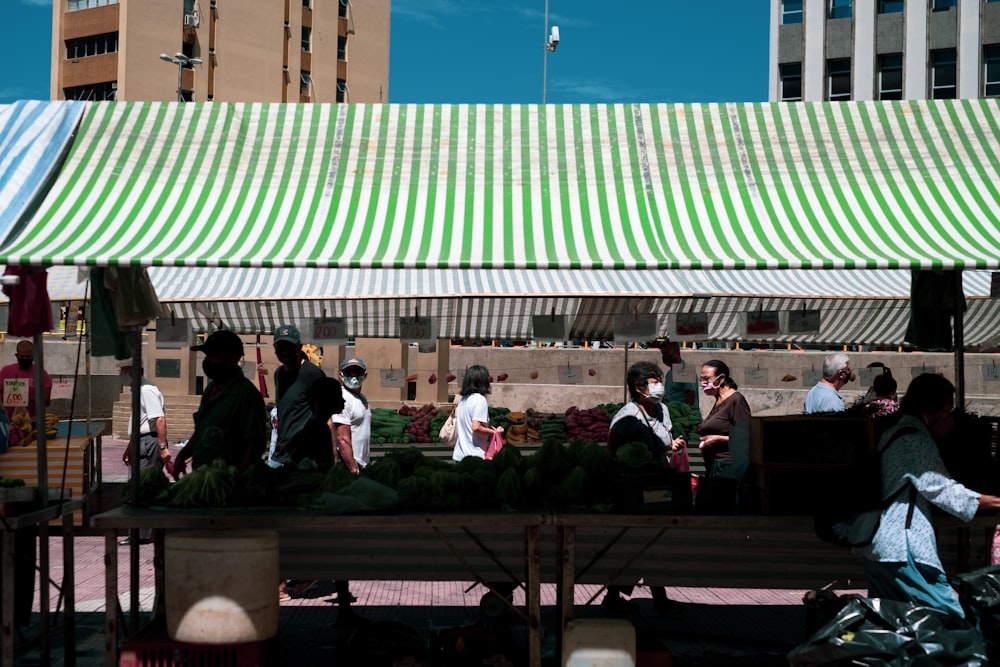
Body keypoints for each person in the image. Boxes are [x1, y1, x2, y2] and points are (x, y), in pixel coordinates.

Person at [856, 373, 1000, 617]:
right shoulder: (916, 438)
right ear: (933, 409)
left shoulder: (894, 433)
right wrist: (995, 501)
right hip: (902, 548)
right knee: (952, 616)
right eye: (946, 409)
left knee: (890, 622)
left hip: (876, 547)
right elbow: (943, 490)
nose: (949, 417)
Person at [604, 361, 686, 614]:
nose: (659, 386)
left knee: (650, 543)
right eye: (654, 381)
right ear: (639, 388)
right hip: (634, 489)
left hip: (658, 483)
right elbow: (612, 451)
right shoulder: (627, 417)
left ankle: (619, 595)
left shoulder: (662, 410)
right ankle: (626, 596)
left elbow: (665, 439)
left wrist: (671, 445)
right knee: (643, 543)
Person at [172, 330, 267, 477]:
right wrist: (183, 455)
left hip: (226, 482)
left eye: (214, 355)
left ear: (233, 358)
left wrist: (239, 479)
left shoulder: (247, 395)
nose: (208, 361)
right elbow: (202, 430)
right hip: (202, 477)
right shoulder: (210, 389)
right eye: (207, 356)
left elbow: (254, 443)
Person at [120, 363, 170, 545]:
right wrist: (129, 447)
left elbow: (159, 419)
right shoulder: (138, 389)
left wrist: (163, 447)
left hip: (149, 442)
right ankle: (142, 531)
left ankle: (141, 534)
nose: (120, 374)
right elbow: (138, 422)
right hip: (141, 440)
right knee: (141, 486)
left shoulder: (146, 389)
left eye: (123, 370)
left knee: (143, 487)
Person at [271, 324, 326, 468]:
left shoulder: (313, 375)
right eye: (280, 346)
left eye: (289, 346)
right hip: (279, 455)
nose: (285, 351)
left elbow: (326, 418)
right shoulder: (278, 375)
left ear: (299, 346)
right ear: (274, 348)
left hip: (304, 460)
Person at [696, 360, 752, 479]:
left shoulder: (736, 401)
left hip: (727, 466)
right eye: (701, 379)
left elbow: (747, 437)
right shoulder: (718, 401)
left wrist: (717, 439)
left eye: (707, 379)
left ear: (721, 379)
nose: (703, 383)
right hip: (713, 464)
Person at [452, 365, 504, 462]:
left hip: (460, 455)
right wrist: (495, 432)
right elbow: (476, 427)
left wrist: (488, 427)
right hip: (474, 456)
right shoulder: (480, 400)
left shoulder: (463, 399)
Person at [0, 340, 52, 426]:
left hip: (34, 421)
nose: (25, 359)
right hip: (8, 421)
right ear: (17, 356)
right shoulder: (6, 371)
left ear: (33, 356)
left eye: (28, 357)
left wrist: (25, 398)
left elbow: (46, 402)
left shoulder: (41, 373)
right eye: (22, 356)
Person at [332, 357, 370, 471]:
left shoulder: (362, 398)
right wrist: (353, 469)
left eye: (357, 371)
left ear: (365, 375)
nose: (353, 375)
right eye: (349, 372)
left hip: (362, 463)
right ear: (341, 375)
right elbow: (342, 440)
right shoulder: (342, 399)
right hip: (350, 465)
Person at [660, 341, 697, 407]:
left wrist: (683, 413)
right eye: (663, 354)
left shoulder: (684, 369)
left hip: (682, 415)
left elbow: (691, 396)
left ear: (677, 352)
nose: (666, 357)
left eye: (668, 353)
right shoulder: (670, 373)